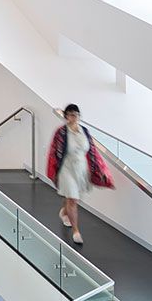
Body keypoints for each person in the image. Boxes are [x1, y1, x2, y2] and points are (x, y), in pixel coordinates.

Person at [45, 103, 113, 247]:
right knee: (73, 198)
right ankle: (76, 231)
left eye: (76, 114)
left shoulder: (85, 131)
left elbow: (92, 151)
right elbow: (54, 152)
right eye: (71, 114)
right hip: (66, 168)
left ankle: (64, 212)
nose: (74, 117)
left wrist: (99, 170)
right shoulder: (61, 133)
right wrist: (54, 171)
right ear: (66, 116)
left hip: (81, 169)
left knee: (74, 197)